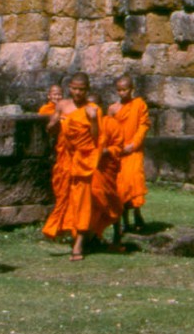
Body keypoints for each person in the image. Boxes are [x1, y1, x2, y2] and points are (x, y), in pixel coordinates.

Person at [42, 73, 101, 261]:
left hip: (83, 160)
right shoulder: (62, 106)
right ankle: (70, 232)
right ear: (69, 88)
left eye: (81, 89)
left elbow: (95, 138)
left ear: (87, 90)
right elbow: (50, 130)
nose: (77, 92)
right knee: (65, 196)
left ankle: (78, 245)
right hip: (65, 159)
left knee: (82, 200)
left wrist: (92, 120)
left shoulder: (93, 110)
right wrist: (54, 123)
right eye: (74, 88)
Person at [108, 74, 150, 232]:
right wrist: (116, 147)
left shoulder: (139, 104)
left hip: (133, 150)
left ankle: (137, 213)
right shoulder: (113, 108)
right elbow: (109, 128)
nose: (122, 93)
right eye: (119, 90)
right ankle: (124, 219)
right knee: (121, 188)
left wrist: (133, 145)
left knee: (134, 181)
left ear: (132, 89)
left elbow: (143, 125)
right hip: (119, 152)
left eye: (125, 90)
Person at [89, 97, 125, 249]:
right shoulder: (81, 122)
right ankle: (93, 237)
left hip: (106, 168)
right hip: (87, 169)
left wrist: (107, 151)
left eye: (95, 107)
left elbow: (118, 146)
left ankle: (117, 235)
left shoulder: (110, 123)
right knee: (91, 202)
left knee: (111, 200)